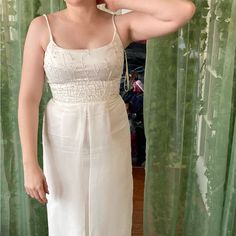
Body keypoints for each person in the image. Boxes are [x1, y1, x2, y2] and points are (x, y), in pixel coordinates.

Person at [17, 0, 196, 235]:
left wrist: (116, 0)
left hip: (110, 136)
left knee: (111, 213)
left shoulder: (121, 25)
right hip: (62, 140)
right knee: (67, 216)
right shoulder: (41, 27)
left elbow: (183, 10)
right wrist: (30, 164)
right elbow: (28, 98)